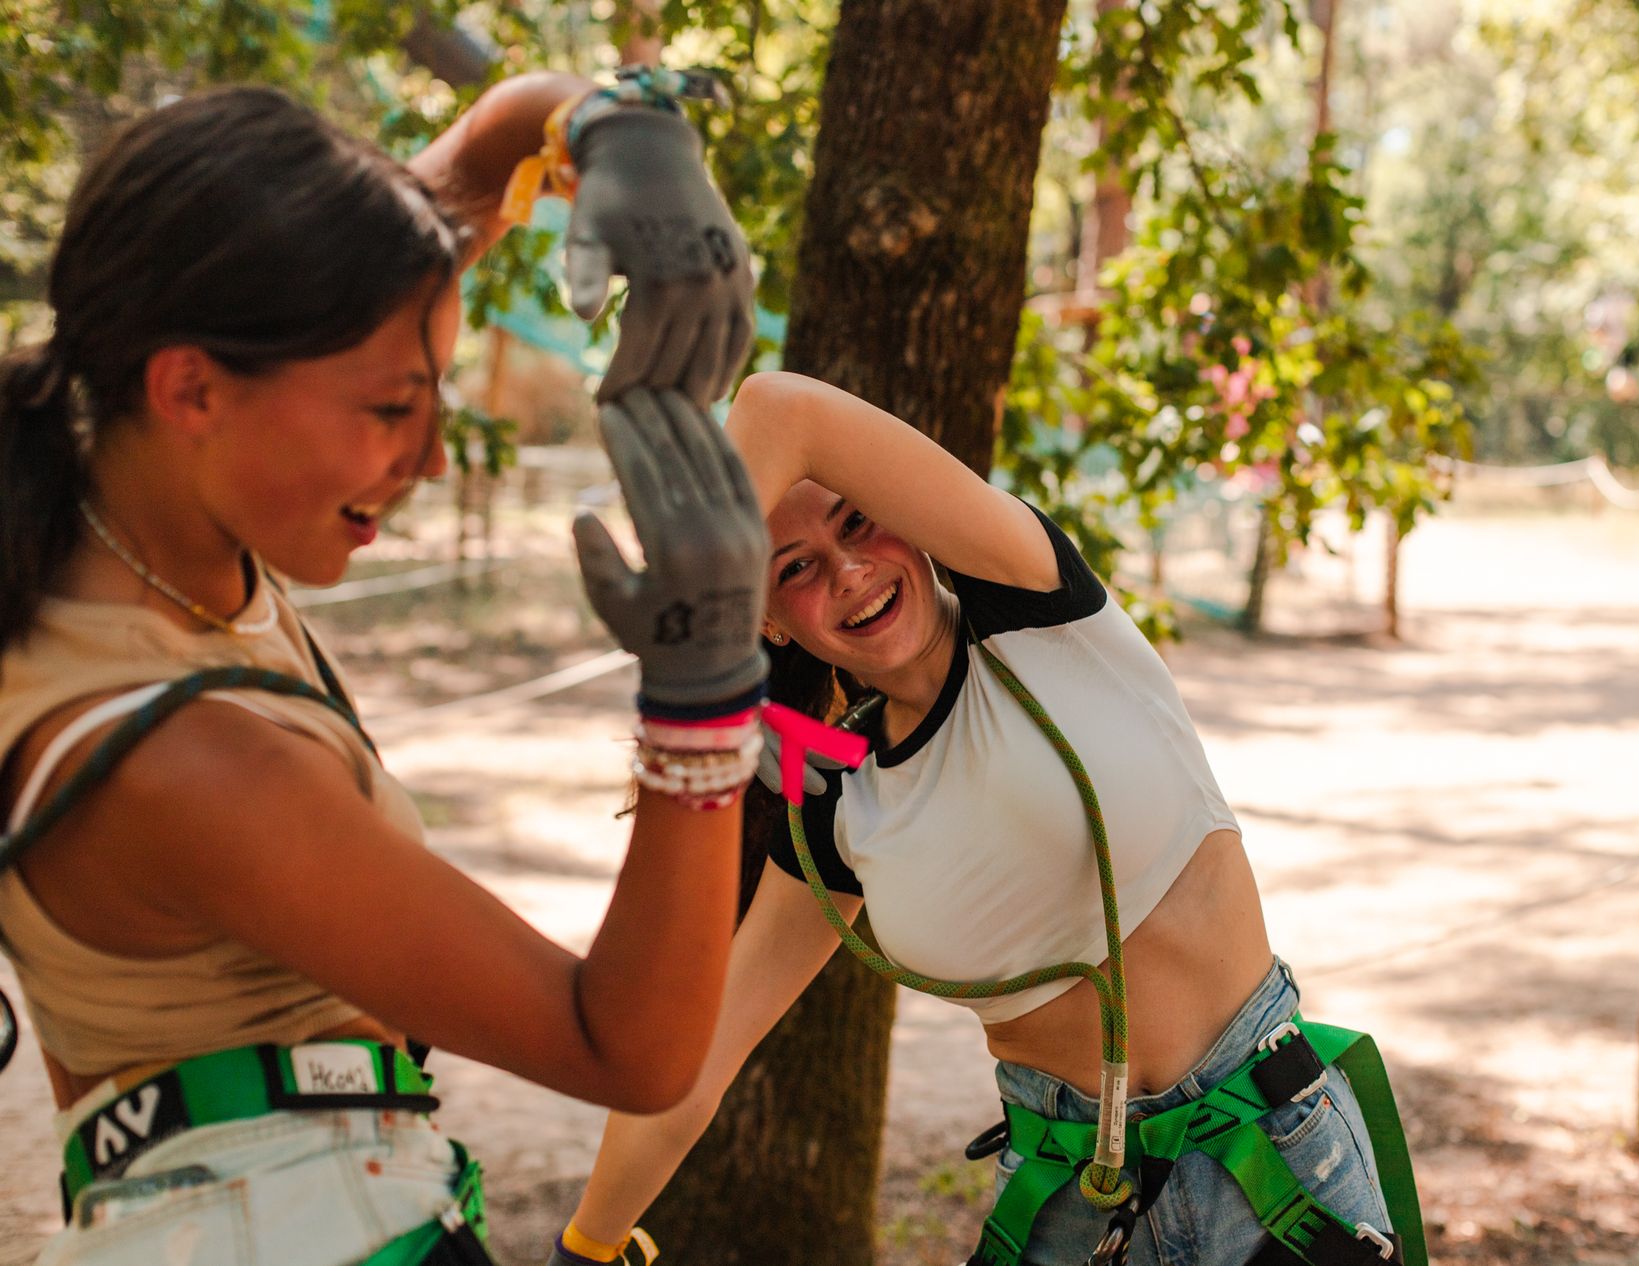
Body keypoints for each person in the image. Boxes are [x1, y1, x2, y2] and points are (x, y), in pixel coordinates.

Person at [0, 71, 769, 1266]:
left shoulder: (113, 495)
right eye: (391, 409)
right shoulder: (191, 764)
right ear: (191, 385)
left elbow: (480, 159)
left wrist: (616, 128)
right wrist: (705, 698)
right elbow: (629, 1050)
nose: (424, 457)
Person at [554, 373, 1415, 1266]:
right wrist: (586, 1245)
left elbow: (779, 410)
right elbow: (703, 1056)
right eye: (795, 570)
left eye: (856, 522)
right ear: (768, 622)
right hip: (1065, 1208)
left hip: (1268, 1168)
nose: (848, 571)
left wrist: (682, 607)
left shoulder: (1037, 607)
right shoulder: (834, 801)